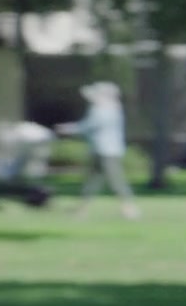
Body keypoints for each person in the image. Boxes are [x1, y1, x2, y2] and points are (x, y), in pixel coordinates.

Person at [57, 81, 139, 219]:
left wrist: (69, 129)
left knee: (115, 179)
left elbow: (89, 125)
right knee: (93, 179)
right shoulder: (112, 109)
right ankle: (82, 209)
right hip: (101, 149)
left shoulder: (104, 110)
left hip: (107, 151)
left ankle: (128, 208)